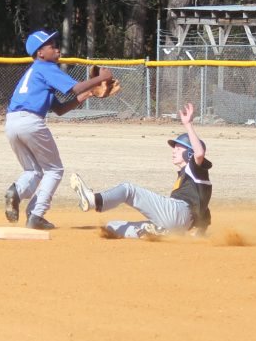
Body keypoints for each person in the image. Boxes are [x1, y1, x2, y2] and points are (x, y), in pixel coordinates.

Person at [5, 30, 113, 230]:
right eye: (51, 46)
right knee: (54, 169)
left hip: (11, 123)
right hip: (30, 122)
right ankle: (36, 215)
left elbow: (60, 109)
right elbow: (75, 88)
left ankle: (16, 192)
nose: (57, 49)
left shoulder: (33, 73)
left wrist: (89, 92)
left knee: (33, 170)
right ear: (40, 53)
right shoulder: (45, 67)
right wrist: (102, 78)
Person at [70, 102, 212, 239]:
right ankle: (157, 232)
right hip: (180, 225)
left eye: (179, 148)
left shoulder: (195, 168)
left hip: (178, 213)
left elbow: (198, 153)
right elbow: (204, 215)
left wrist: (188, 124)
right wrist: (198, 234)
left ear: (189, 154)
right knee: (112, 227)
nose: (174, 151)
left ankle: (93, 200)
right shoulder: (194, 180)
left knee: (128, 189)